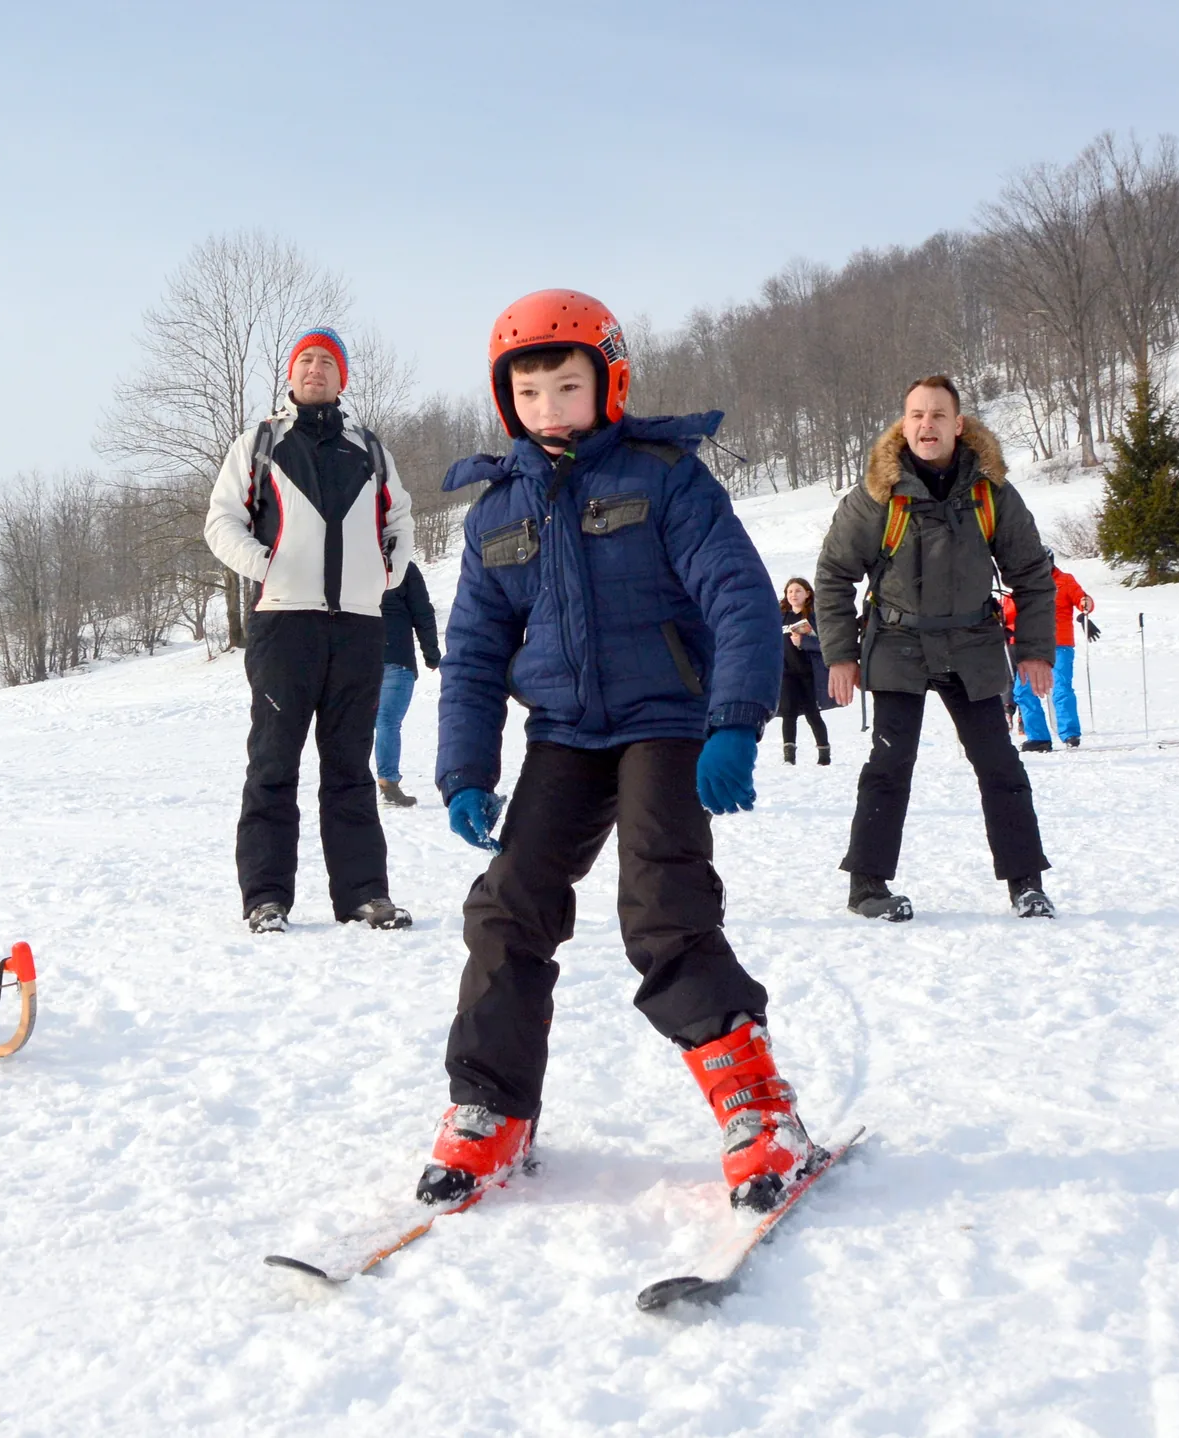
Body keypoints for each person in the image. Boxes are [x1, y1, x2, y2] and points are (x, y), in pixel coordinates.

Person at [424, 289, 816, 1215]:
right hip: (563, 733)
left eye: (569, 386)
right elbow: (474, 657)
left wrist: (733, 719)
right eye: (531, 394)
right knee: (509, 905)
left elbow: (738, 596)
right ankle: (491, 1106)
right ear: (505, 402)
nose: (551, 408)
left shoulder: (665, 476)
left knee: (661, 900)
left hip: (669, 720)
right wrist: (464, 774)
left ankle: (760, 1110)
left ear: (611, 381)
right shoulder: (494, 515)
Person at [814, 375, 1058, 922]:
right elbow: (833, 576)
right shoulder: (878, 495)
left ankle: (1027, 883)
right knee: (890, 763)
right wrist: (840, 655)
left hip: (971, 645)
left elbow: (1032, 575)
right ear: (905, 425)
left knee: (999, 763)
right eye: (917, 415)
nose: (927, 425)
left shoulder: (991, 494)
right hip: (897, 644)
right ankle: (867, 886)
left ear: (958, 425)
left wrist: (1035, 649)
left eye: (938, 415)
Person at [204, 325, 414, 934]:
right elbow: (221, 521)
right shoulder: (261, 442)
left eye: (326, 361)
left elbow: (399, 519)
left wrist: (387, 573)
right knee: (273, 764)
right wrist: (264, 565)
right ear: (290, 376)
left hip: (358, 626)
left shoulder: (369, 449)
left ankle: (364, 896)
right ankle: (266, 898)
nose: (315, 369)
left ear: (341, 377)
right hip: (283, 626)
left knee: (349, 766)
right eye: (305, 361)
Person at [376, 559, 442, 806]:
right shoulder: (404, 567)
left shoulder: (353, 558)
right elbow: (422, 612)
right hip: (396, 656)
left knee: (356, 723)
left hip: (357, 657)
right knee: (387, 722)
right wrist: (432, 654)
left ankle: (350, 783)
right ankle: (388, 783)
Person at [1013, 563, 1094, 752]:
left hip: (1059, 643)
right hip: (1030, 647)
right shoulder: (1024, 582)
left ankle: (1070, 733)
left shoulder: (1065, 580)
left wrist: (1085, 603)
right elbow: (1010, 609)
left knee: (1060, 687)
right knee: (1022, 690)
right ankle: (1038, 737)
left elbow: (1081, 598)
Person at [777, 577, 834, 764]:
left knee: (812, 713)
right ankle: (788, 756)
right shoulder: (781, 615)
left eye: (798, 591)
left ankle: (824, 754)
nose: (793, 595)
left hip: (809, 672)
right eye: (790, 591)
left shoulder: (814, 615)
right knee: (788, 712)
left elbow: (826, 644)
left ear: (807, 593)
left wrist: (804, 642)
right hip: (786, 672)